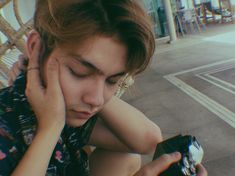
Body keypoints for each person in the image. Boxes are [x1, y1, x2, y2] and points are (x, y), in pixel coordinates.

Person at [0, 0, 207, 175]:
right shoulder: (11, 123)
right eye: (79, 72)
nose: (96, 99)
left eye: (112, 80)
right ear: (36, 48)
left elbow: (149, 140)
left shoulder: (69, 112)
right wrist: (50, 127)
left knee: (125, 156)